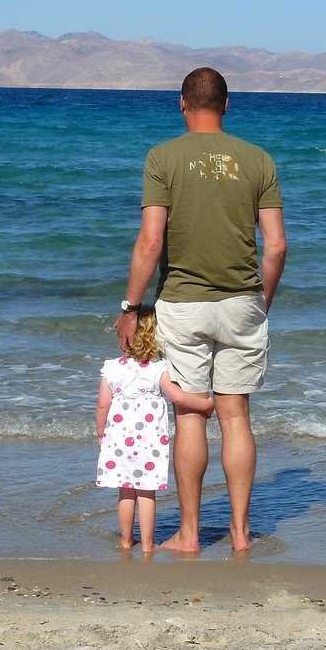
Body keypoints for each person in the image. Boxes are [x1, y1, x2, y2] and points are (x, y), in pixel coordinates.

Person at [114, 67, 287, 553]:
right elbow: (275, 247)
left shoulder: (163, 158)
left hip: (184, 305)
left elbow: (151, 241)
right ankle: (239, 533)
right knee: (236, 417)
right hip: (242, 302)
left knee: (191, 418)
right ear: (227, 104)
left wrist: (130, 306)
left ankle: (189, 534)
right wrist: (261, 301)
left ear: (181, 103)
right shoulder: (258, 160)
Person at [96, 306, 215, 552]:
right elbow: (178, 397)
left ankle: (126, 540)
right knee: (146, 493)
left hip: (118, 439)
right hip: (148, 442)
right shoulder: (157, 369)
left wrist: (101, 432)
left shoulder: (112, 368)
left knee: (125, 491)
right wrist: (205, 403)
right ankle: (148, 544)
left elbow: (102, 404)